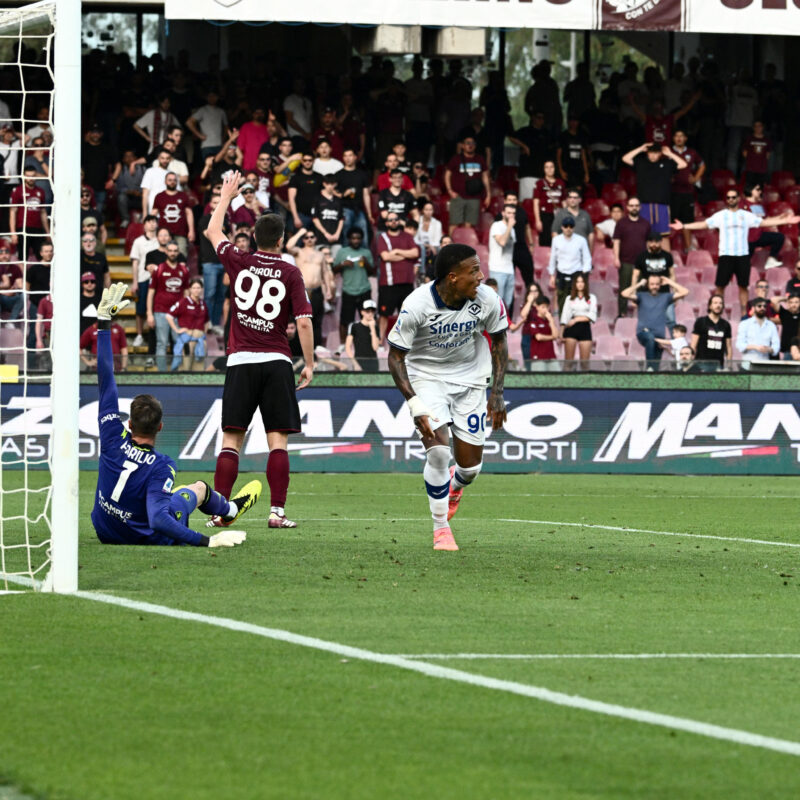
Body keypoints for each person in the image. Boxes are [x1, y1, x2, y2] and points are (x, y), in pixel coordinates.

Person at [89, 283, 260, 548]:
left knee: (165, 497)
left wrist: (103, 324)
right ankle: (229, 512)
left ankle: (228, 510)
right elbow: (158, 519)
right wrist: (208, 541)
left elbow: (105, 378)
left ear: (130, 423)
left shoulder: (112, 435)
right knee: (197, 489)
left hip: (105, 531)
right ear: (160, 427)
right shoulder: (161, 465)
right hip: (145, 537)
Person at [203, 172, 314, 529]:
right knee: (277, 441)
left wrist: (225, 197)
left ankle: (221, 514)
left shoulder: (240, 260)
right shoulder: (291, 272)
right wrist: (309, 364)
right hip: (278, 361)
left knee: (231, 439)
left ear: (253, 236)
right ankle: (277, 513)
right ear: (281, 239)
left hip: (241, 361)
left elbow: (212, 232)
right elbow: (305, 322)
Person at [387, 243, 508, 551]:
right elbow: (395, 356)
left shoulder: (487, 300)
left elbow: (500, 341)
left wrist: (497, 393)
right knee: (439, 452)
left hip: (470, 382)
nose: (481, 277)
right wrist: (414, 404)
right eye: (474, 271)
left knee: (470, 469)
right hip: (427, 378)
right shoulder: (416, 305)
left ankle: (454, 488)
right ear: (453, 277)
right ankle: (441, 528)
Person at [671, 190, 799, 318]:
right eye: (728, 197)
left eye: (733, 197)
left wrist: (785, 221)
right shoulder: (720, 215)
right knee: (720, 286)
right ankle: (717, 314)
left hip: (742, 256)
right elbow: (704, 224)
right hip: (726, 256)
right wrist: (683, 226)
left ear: (738, 199)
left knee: (743, 286)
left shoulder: (746, 215)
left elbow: (763, 223)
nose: (731, 199)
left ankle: (744, 315)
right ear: (726, 200)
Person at [622, 143, 687, 250]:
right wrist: (640, 148)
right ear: (647, 153)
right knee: (644, 235)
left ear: (660, 153)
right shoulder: (641, 162)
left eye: (656, 153)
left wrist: (670, 153)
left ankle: (666, 261)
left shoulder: (667, 163)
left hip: (661, 205)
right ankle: (645, 259)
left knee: (664, 235)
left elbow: (683, 164)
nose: (653, 155)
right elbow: (625, 158)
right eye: (651, 152)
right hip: (644, 205)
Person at [621, 275, 689, 370]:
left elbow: (685, 292)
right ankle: (649, 368)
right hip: (644, 333)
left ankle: (652, 373)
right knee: (650, 338)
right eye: (652, 284)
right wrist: (639, 284)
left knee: (656, 366)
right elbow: (624, 293)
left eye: (657, 284)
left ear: (660, 285)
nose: (654, 286)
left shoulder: (665, 297)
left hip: (659, 337)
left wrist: (670, 282)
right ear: (648, 285)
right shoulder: (641, 296)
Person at [285, 227, 335, 349]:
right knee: (301, 321)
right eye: (306, 237)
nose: (309, 239)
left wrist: (328, 290)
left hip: (317, 290)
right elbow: (288, 246)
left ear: (316, 238)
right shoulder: (299, 252)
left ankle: (316, 348)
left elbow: (325, 274)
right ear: (303, 240)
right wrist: (300, 233)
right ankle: (299, 348)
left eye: (312, 237)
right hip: (302, 291)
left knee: (317, 321)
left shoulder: (320, 255)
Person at [376, 212, 419, 344]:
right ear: (387, 223)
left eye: (396, 219)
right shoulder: (382, 237)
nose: (394, 222)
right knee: (384, 315)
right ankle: (380, 342)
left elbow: (415, 253)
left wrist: (397, 252)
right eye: (391, 220)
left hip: (406, 282)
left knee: (406, 315)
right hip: (388, 283)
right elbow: (386, 257)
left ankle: (405, 342)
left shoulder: (407, 236)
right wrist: (405, 256)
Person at [147, 241, 190, 371]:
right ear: (166, 252)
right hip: (161, 311)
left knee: (179, 343)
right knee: (162, 343)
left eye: (175, 251)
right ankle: (162, 373)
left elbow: (186, 292)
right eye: (170, 250)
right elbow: (151, 292)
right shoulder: (159, 269)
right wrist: (149, 313)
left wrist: (186, 312)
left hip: (177, 313)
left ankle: (176, 372)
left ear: (178, 252)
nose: (172, 253)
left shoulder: (184, 270)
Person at [333, 227, 375, 343]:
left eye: (358, 238)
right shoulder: (342, 252)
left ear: (362, 239)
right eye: (353, 238)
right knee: (345, 320)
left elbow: (373, 272)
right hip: (348, 290)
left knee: (368, 318)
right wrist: (343, 264)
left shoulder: (366, 252)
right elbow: (334, 270)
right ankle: (342, 344)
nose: (356, 240)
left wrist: (366, 263)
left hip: (364, 289)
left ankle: (370, 342)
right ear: (349, 239)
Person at [444, 134, 491, 234]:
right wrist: (449, 190)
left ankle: (464, 247)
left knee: (469, 225)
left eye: (472, 143)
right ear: (462, 146)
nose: (470, 145)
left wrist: (488, 194)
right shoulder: (456, 159)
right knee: (454, 223)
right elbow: (447, 175)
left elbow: (485, 177)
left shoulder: (480, 159)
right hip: (458, 196)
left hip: (475, 197)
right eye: (467, 143)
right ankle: (449, 247)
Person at [612, 197, 651, 317]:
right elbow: (616, 242)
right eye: (631, 205)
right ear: (627, 207)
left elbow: (649, 244)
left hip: (641, 263)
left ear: (639, 207)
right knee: (624, 289)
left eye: (636, 205)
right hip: (625, 262)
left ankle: (641, 314)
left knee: (642, 289)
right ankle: (622, 314)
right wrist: (616, 258)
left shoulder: (646, 223)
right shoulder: (621, 223)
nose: (634, 208)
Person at [669, 130, 705, 252]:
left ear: (685, 138)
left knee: (687, 221)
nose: (679, 138)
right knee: (669, 220)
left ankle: (688, 247)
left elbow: (702, 165)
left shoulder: (692, 152)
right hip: (671, 192)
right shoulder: (668, 152)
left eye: (681, 136)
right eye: (676, 136)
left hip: (687, 192)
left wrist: (695, 178)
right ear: (673, 138)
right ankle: (668, 248)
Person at [548, 215, 592, 311]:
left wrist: (584, 273)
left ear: (574, 227)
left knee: (576, 302)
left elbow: (587, 258)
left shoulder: (581, 240)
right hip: (561, 274)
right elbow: (553, 258)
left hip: (576, 274)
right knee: (562, 301)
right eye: (566, 226)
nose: (568, 229)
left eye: (570, 226)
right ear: (562, 227)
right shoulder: (556, 240)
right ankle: (563, 324)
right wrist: (552, 275)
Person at [509, 110, 555, 200]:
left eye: (543, 118)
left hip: (542, 173)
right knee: (526, 200)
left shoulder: (546, 133)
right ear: (533, 118)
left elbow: (555, 145)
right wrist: (524, 146)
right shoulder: (526, 131)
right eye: (538, 117)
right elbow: (511, 137)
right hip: (527, 172)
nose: (541, 120)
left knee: (541, 202)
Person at [166, 277, 210, 371]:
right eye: (194, 288)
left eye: (198, 288)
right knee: (185, 366)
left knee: (199, 367)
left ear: (202, 289)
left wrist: (203, 333)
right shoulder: (183, 302)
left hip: (200, 340)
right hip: (187, 339)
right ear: (190, 289)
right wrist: (177, 329)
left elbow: (206, 321)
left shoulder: (203, 303)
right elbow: (169, 316)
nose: (196, 290)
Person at [129, 214, 159, 346]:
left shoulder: (161, 240)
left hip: (159, 280)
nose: (152, 224)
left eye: (154, 222)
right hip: (143, 279)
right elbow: (135, 263)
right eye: (149, 222)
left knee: (156, 309)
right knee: (140, 310)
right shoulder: (138, 241)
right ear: (144, 224)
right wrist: (135, 282)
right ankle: (140, 335)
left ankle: (155, 337)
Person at [741, 182, 784, 270]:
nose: (760, 192)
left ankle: (771, 259)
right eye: (757, 190)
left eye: (760, 190)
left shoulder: (759, 205)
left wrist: (780, 218)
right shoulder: (742, 204)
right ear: (750, 190)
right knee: (744, 265)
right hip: (745, 240)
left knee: (779, 237)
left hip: (757, 236)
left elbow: (766, 219)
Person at [9, 167, 49, 261]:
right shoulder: (18, 191)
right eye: (28, 176)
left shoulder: (40, 191)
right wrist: (13, 232)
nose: (31, 178)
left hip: (37, 229)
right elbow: (12, 212)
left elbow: (43, 212)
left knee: (41, 256)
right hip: (23, 228)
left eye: (33, 176)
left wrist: (47, 232)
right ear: (23, 176)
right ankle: (23, 275)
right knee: (22, 256)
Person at [151, 172, 194, 256]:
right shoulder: (159, 196)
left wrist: (191, 231)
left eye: (174, 180)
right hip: (164, 234)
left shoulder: (183, 195)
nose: (172, 182)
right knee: (163, 258)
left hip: (181, 233)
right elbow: (153, 215)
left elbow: (189, 213)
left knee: (182, 257)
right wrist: (152, 230)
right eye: (170, 180)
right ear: (165, 182)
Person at [559, 273, 596, 370]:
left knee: (584, 364)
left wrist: (576, 319)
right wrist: (561, 333)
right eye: (578, 282)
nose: (580, 284)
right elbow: (565, 316)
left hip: (585, 328)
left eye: (582, 282)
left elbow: (592, 315)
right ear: (574, 284)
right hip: (571, 328)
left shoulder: (592, 298)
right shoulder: (569, 298)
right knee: (568, 362)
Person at [334, 148, 372, 241]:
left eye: (350, 155)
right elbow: (332, 191)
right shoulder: (339, 174)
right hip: (344, 209)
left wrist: (369, 213)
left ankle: (364, 255)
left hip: (359, 209)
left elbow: (366, 195)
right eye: (345, 156)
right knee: (346, 236)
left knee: (363, 235)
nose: (347, 158)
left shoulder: (362, 174)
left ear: (355, 157)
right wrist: (343, 194)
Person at [691, 295, 732, 372]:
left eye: (720, 303)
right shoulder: (701, 321)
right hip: (701, 363)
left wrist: (729, 365)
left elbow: (728, 346)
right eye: (715, 303)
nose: (718, 305)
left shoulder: (726, 324)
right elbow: (693, 344)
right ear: (710, 306)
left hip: (719, 363)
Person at [488, 203, 516, 313]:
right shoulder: (496, 225)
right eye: (509, 213)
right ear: (503, 213)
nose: (511, 216)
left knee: (507, 303)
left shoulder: (512, 229)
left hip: (509, 269)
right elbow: (503, 242)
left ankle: (504, 328)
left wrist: (510, 227)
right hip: (497, 269)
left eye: (513, 214)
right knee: (497, 303)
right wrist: (509, 226)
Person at [186, 90, 230, 160]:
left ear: (217, 97)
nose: (212, 98)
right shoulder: (202, 110)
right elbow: (189, 122)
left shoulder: (221, 111)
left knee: (219, 168)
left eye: (214, 96)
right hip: (207, 145)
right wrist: (199, 135)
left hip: (219, 144)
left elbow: (226, 127)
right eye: (210, 96)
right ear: (206, 98)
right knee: (209, 166)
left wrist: (223, 139)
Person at [532, 160, 566, 247]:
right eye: (547, 167)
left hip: (558, 215)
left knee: (560, 241)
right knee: (546, 241)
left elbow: (564, 201)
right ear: (544, 169)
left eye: (551, 167)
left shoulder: (561, 183)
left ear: (555, 168)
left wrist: (566, 216)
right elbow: (536, 203)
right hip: (545, 215)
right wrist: (538, 220)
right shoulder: (539, 183)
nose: (549, 169)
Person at [736, 297, 779, 363]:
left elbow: (776, 346)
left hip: (765, 363)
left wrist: (769, 349)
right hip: (747, 363)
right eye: (759, 306)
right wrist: (755, 347)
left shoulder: (771, 325)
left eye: (764, 306)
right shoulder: (744, 324)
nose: (762, 308)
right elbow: (739, 345)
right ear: (753, 308)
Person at [288, 153, 322, 232]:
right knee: (299, 241)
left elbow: (324, 195)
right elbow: (291, 199)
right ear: (301, 162)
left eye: (310, 160)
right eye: (305, 160)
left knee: (318, 242)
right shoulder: (295, 178)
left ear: (313, 161)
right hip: (301, 215)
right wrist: (296, 217)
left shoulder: (319, 177)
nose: (307, 162)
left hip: (317, 215)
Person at [344, 298, 380, 372]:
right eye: (367, 311)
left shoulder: (376, 327)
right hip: (359, 361)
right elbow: (347, 347)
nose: (370, 313)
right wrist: (355, 364)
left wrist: (372, 328)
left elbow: (375, 347)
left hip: (373, 362)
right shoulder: (354, 326)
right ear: (362, 312)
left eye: (372, 311)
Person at [556, 116, 590, 188]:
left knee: (578, 191)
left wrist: (586, 173)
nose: (574, 123)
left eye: (576, 121)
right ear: (568, 122)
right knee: (568, 191)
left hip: (579, 169)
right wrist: (561, 170)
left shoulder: (581, 136)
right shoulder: (563, 136)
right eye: (572, 121)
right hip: (567, 169)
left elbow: (583, 155)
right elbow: (558, 155)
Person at [311, 175, 344, 248]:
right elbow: (315, 218)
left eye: (332, 184)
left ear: (335, 184)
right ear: (324, 184)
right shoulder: (317, 198)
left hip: (336, 239)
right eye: (327, 183)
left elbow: (341, 219)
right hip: (321, 239)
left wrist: (337, 234)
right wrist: (325, 233)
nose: (330, 186)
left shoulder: (338, 200)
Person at [415, 200, 443, 280]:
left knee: (439, 250)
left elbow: (438, 240)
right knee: (422, 248)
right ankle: (422, 273)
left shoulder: (437, 223)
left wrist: (431, 246)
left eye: (430, 210)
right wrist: (426, 245)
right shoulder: (418, 221)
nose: (428, 212)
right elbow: (415, 239)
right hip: (420, 246)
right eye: (426, 209)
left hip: (434, 246)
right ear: (423, 211)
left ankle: (434, 275)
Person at [79, 232, 110, 303]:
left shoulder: (101, 257)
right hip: (81, 295)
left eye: (91, 240)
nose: (88, 243)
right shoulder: (78, 256)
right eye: (85, 241)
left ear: (95, 243)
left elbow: (107, 277)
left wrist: (108, 293)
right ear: (82, 243)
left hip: (98, 295)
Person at [140, 149, 172, 215]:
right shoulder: (150, 171)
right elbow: (145, 194)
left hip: (169, 212)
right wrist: (145, 214)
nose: (165, 160)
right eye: (162, 158)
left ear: (170, 159)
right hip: (153, 212)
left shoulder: (173, 174)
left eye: (167, 158)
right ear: (158, 158)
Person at [770, 293, 800, 360]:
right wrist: (786, 298)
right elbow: (773, 300)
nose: (794, 305)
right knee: (787, 370)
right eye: (791, 302)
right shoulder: (784, 313)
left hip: (799, 350)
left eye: (796, 302)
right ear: (788, 303)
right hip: (787, 350)